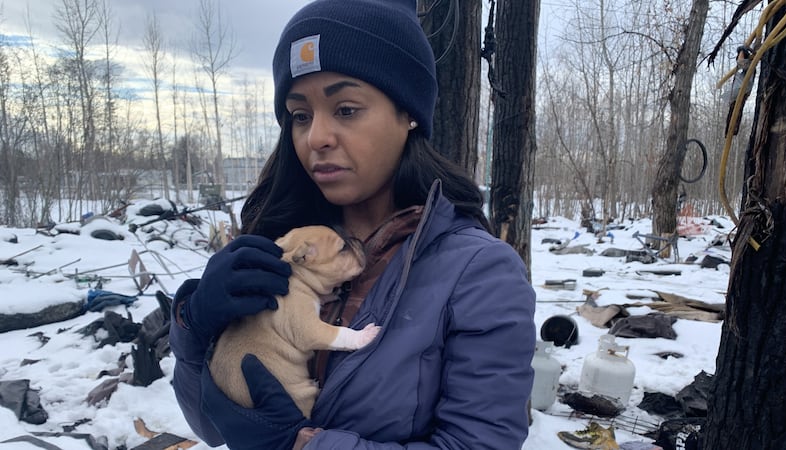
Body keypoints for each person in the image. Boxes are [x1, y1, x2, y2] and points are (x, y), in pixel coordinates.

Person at [168, 0, 537, 448]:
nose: (316, 137)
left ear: (409, 114)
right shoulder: (282, 247)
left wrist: (303, 445)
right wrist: (194, 324)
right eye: (300, 115)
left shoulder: (478, 273)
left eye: (345, 109)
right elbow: (209, 428)